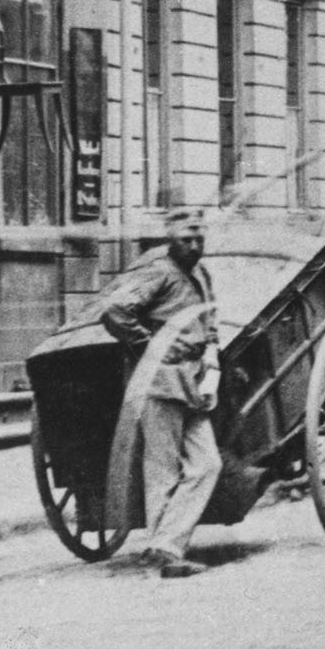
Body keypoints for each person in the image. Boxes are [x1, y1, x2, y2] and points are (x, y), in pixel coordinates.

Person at [96, 207, 221, 578]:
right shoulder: (158, 271)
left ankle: (164, 545)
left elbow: (210, 322)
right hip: (160, 382)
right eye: (186, 239)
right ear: (171, 238)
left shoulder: (201, 274)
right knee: (162, 470)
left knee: (207, 464)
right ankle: (164, 551)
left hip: (194, 381)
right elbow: (115, 310)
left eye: (199, 238)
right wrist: (150, 344)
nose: (194, 245)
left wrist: (212, 360)